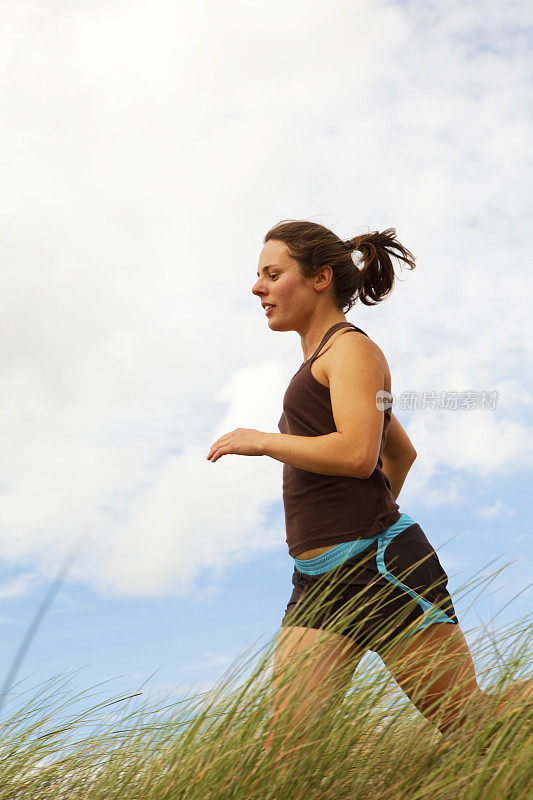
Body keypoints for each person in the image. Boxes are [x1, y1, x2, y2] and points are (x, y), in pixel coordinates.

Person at [206, 220, 532, 768]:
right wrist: (367, 516)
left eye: (272, 274)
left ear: (319, 278)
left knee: (472, 725)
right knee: (287, 757)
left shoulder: (351, 352)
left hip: (379, 570)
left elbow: (359, 454)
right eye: (258, 276)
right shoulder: (320, 363)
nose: (257, 288)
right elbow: (397, 453)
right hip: (319, 581)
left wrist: (263, 441)